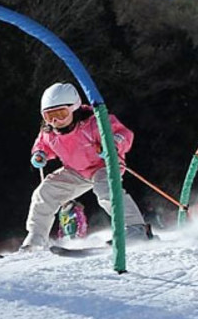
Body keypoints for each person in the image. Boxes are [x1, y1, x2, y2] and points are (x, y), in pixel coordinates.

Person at [21, 82, 152, 250]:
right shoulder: (49, 132)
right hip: (76, 171)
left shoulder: (94, 122)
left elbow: (123, 135)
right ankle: (35, 239)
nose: (55, 121)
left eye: (61, 114)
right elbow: (42, 145)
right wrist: (40, 154)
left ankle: (136, 228)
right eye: (49, 116)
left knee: (106, 190)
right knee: (45, 192)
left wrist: (111, 145)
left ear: (74, 108)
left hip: (103, 166)